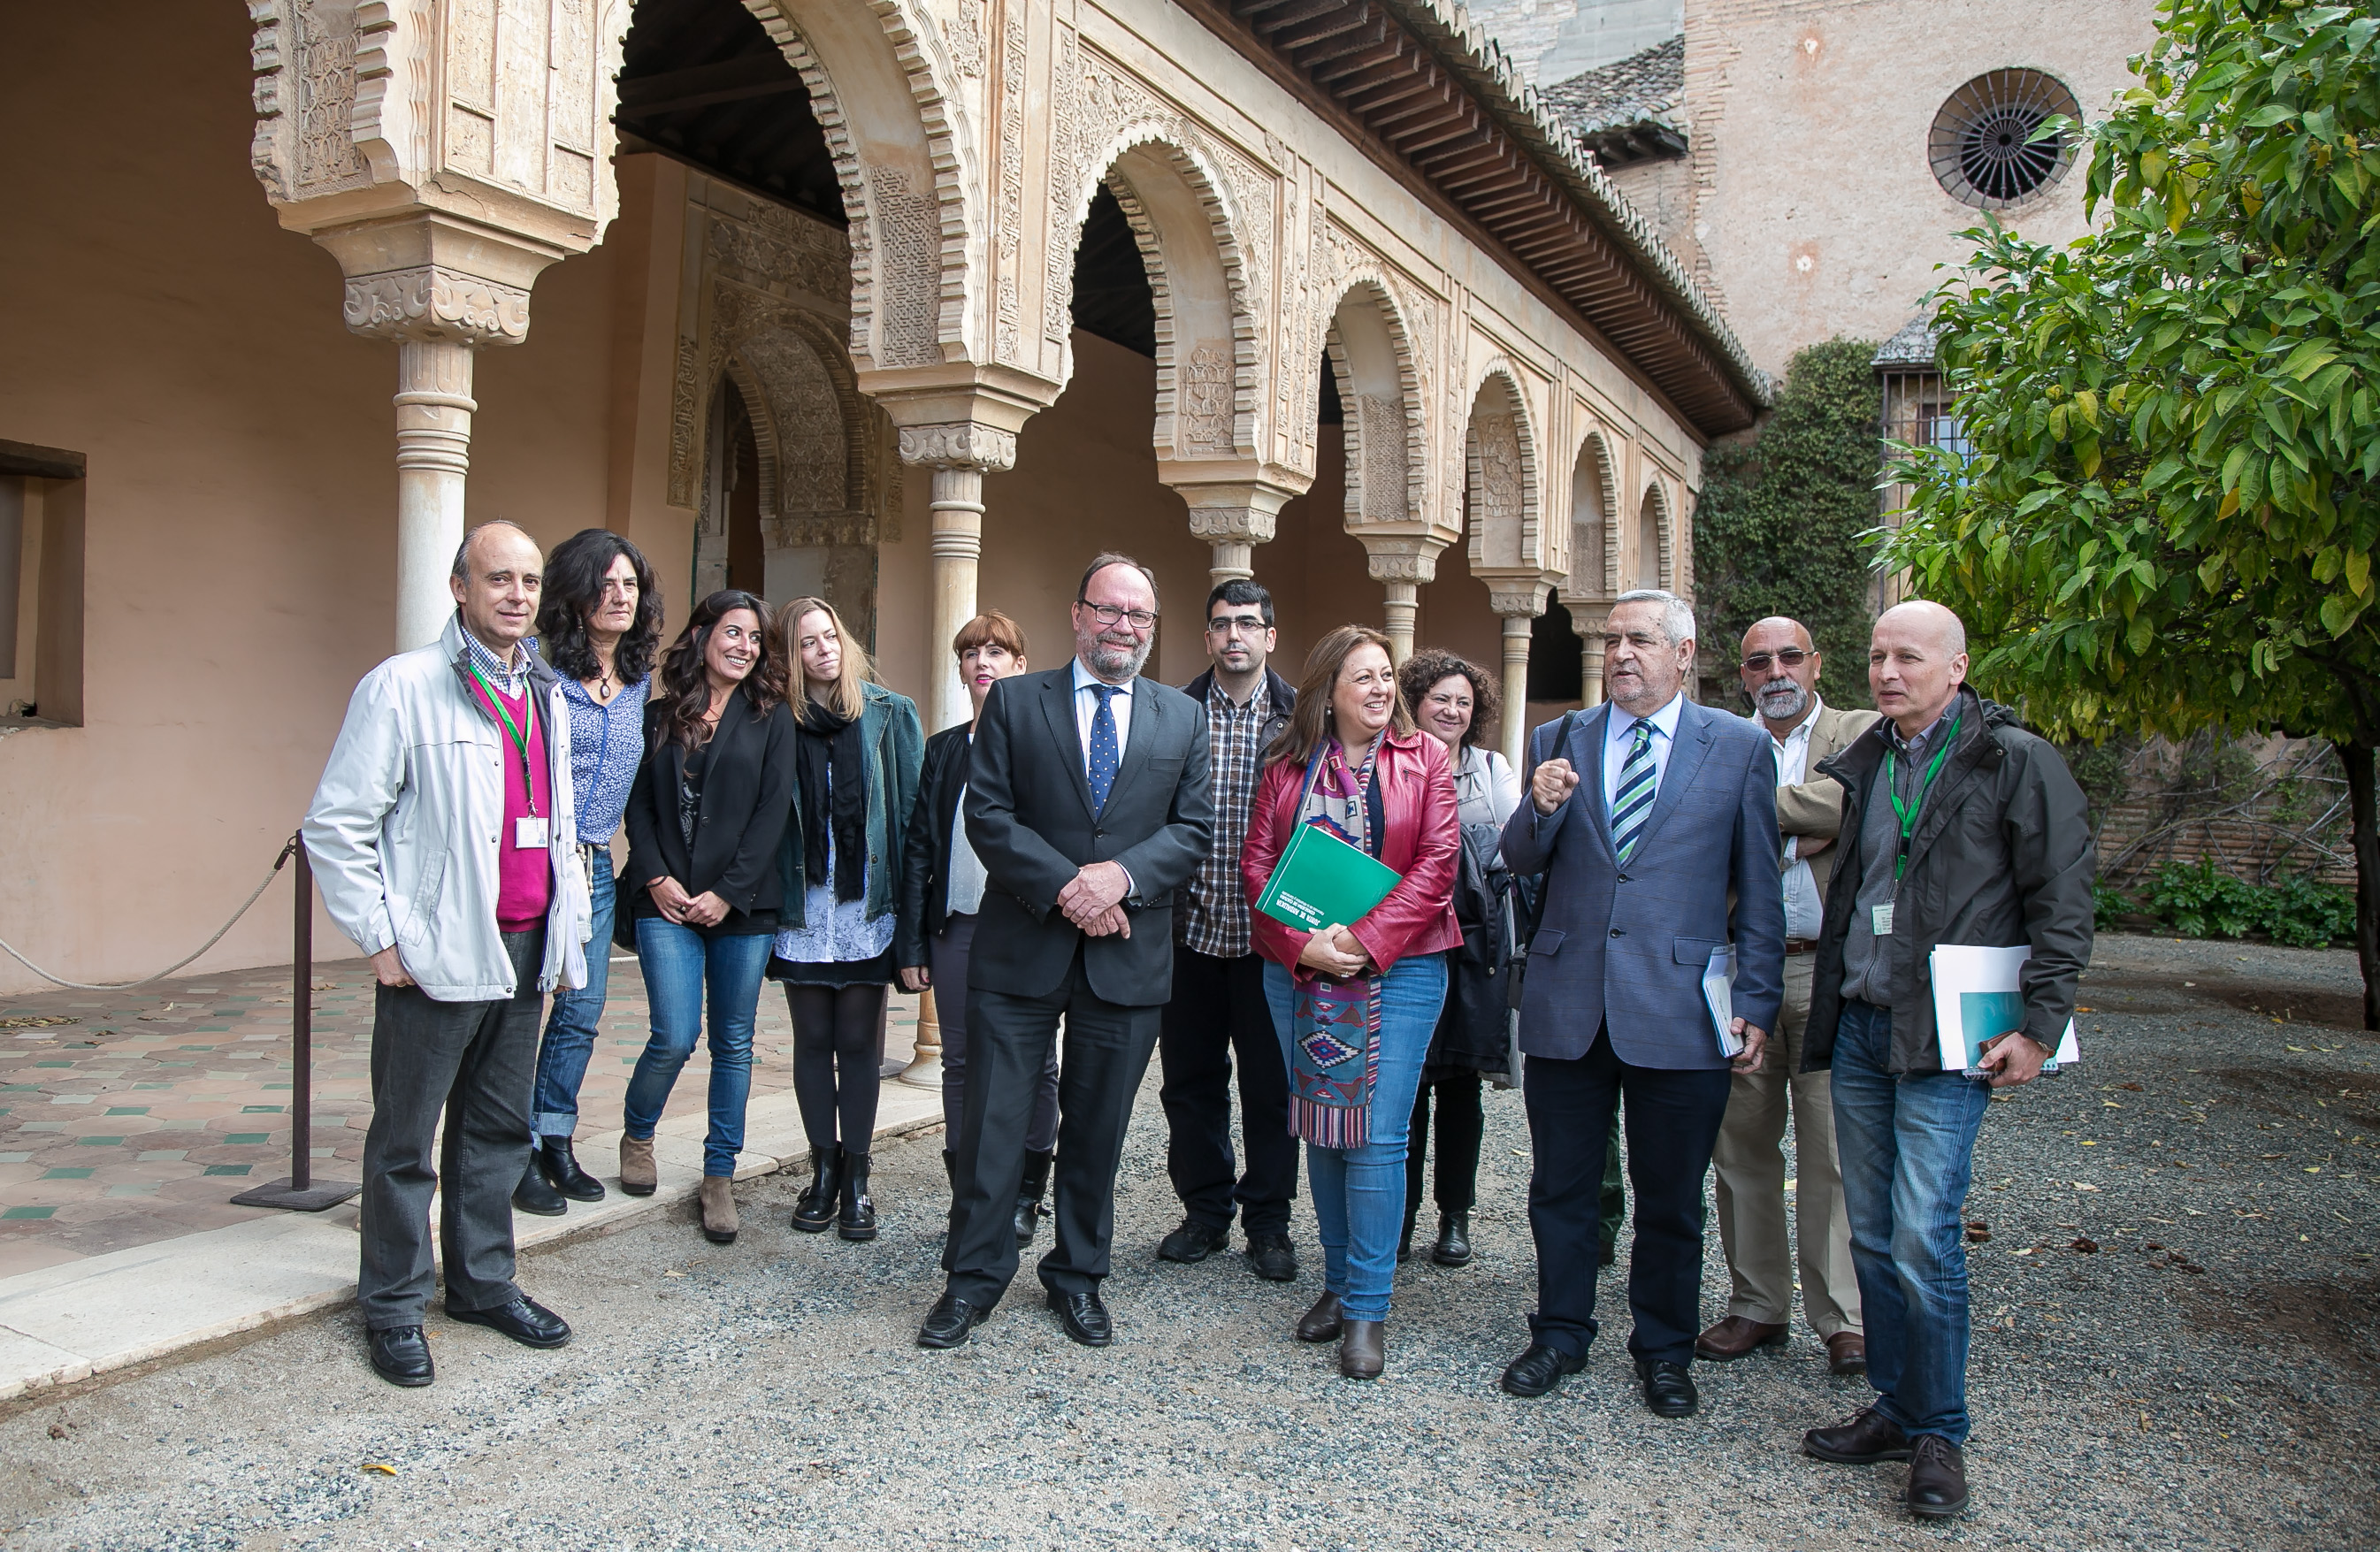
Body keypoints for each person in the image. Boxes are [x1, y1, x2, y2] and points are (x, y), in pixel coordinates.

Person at [1798, 600, 2093, 1519]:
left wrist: (2039, 1028)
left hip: (1943, 1042)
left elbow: (2063, 897)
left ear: (1957, 668)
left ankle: (1941, 1434)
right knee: (1877, 1236)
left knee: (1926, 1239)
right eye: (1878, 656)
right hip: (1859, 1025)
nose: (1888, 672)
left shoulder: (2015, 760)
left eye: (1910, 658)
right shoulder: (1873, 758)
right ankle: (1895, 1405)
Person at [304, 520, 589, 1388]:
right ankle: (392, 1304)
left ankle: (482, 1282)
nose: (517, 595)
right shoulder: (402, 688)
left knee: (498, 1130)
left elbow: (558, 824)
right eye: (497, 578)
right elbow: (337, 825)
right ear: (459, 589)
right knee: (405, 1140)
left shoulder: (545, 692)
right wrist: (383, 938)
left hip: (524, 948)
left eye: (530, 581)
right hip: (436, 952)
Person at [1496, 587, 1784, 1418]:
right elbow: (1518, 857)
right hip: (1568, 999)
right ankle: (1558, 1331)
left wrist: (1755, 1003)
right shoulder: (1559, 737)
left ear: (1684, 654)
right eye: (1611, 639)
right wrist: (1539, 805)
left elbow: (1759, 890)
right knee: (1561, 1186)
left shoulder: (1735, 747)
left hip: (1679, 1006)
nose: (1620, 653)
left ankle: (1662, 1347)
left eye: (1640, 640)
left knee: (1669, 1194)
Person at [915, 554, 1213, 1351]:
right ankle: (972, 1279)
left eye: (1139, 616)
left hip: (1127, 956)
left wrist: (1117, 878)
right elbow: (989, 814)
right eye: (1109, 610)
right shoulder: (1015, 701)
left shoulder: (1180, 718)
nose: (1123, 626)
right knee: (993, 1123)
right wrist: (1067, 889)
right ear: (1078, 615)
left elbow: (1192, 831)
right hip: (1022, 947)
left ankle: (1078, 1275)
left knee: (1096, 1128)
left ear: (1152, 628)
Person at [1242, 624, 1460, 1380]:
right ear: (1327, 689)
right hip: (1300, 970)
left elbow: (1437, 866)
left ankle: (1367, 1308)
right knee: (1323, 1129)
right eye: (1362, 677)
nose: (1379, 689)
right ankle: (1336, 1285)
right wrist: (1298, 945)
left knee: (1375, 1137)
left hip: (1400, 967)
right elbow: (1258, 865)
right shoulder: (1286, 764)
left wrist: (1365, 940)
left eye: (1385, 677)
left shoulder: (1424, 758)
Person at [1695, 617, 1878, 1375]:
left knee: (1833, 1148)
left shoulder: (1859, 730)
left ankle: (1842, 1317)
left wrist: (1755, 815)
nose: (1775, 669)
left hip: (1832, 969)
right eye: (1757, 660)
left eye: (1789, 656)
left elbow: (1849, 805)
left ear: (1815, 662)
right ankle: (1756, 1305)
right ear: (1740, 674)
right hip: (1743, 968)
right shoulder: (1724, 740)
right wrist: (1805, 823)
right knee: (1740, 1142)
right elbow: (1702, 836)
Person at [616, 590, 798, 1245]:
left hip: (742, 905)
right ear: (701, 636)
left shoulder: (772, 718)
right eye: (733, 632)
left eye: (754, 637)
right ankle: (638, 1133)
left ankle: (718, 1174)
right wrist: (657, 877)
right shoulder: (659, 714)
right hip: (664, 899)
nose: (745, 646)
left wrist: (727, 891)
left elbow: (771, 812)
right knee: (672, 1033)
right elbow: (637, 807)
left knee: (734, 1041)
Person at [894, 611, 1060, 1242]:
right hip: (957, 926)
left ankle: (1025, 1193)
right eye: (971, 652)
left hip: (1027, 931)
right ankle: (966, 1191)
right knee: (958, 1062)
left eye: (998, 651)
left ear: (1021, 665)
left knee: (1036, 1061)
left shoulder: (1045, 743)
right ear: (960, 667)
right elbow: (918, 848)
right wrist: (912, 940)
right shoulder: (943, 750)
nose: (982, 662)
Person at [1155, 579, 1302, 1282]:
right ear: (1206, 636)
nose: (1233, 635)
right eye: (1220, 624)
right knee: (1189, 1082)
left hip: (1270, 943)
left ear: (1270, 636)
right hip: (1188, 931)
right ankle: (1205, 1212)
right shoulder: (1173, 713)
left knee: (1271, 1089)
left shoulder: (1304, 719)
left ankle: (1268, 1222)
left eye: (1247, 623)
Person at [513, 529, 662, 1217]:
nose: (619, 595)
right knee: (515, 1009)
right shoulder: (540, 675)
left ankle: (554, 1138)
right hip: (534, 859)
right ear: (574, 593)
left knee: (580, 1010)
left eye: (629, 583)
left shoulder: (637, 683)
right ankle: (506, 1147)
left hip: (595, 867)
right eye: (604, 583)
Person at [769, 596, 923, 1242]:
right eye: (806, 642)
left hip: (866, 907)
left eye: (829, 636)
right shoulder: (778, 720)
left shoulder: (891, 714)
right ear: (792, 656)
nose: (822, 649)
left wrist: (916, 924)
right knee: (811, 1043)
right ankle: (822, 1169)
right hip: (805, 911)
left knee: (860, 1044)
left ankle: (858, 1177)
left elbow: (915, 821)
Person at [1395, 649, 1520, 1268]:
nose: (1451, 709)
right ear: (1414, 700)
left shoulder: (1491, 766)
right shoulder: (1390, 760)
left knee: (1461, 1087)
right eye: (1440, 698)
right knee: (1407, 1082)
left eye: (1463, 702)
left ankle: (1454, 1215)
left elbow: (1509, 845)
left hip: (1471, 943)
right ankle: (1400, 1213)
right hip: (1405, 936)